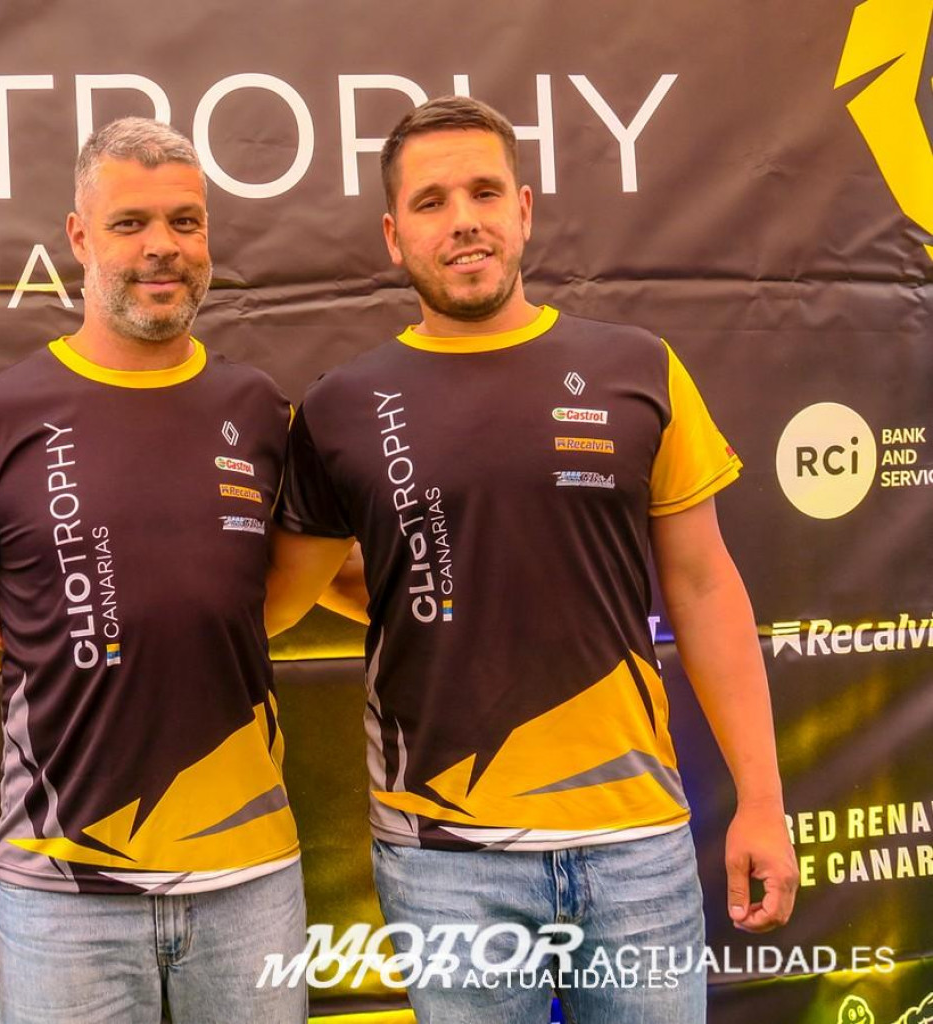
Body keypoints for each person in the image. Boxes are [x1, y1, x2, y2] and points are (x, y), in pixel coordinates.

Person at [264, 96, 799, 1022]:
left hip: (635, 843)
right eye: (430, 202)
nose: (462, 220)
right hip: (444, 858)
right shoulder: (342, 406)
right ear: (394, 236)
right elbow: (284, 596)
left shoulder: (641, 368)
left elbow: (705, 585)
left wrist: (762, 799)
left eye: (483, 192)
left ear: (523, 210)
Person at [0, 117, 305, 1023]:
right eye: (130, 223)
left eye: (186, 221)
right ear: (79, 237)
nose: (163, 246)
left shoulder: (259, 409)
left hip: (250, 884)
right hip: (62, 898)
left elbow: (300, 592)